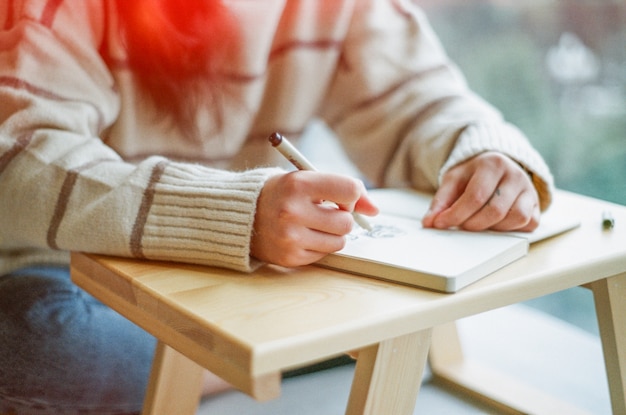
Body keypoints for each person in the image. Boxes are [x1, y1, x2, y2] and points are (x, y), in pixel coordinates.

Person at [0, 0, 554, 413]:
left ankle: (248, 351)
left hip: (253, 268)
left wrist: (481, 149)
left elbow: (421, 102)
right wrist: (235, 214)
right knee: (27, 349)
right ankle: (284, 351)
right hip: (72, 266)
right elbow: (22, 156)